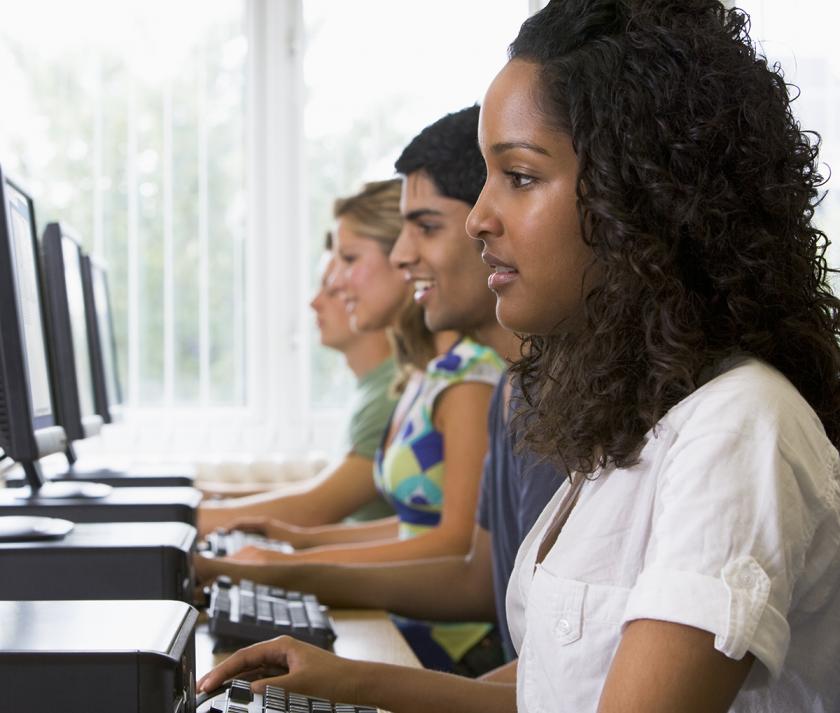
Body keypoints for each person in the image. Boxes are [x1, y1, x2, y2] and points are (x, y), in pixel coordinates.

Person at [199, 2, 840, 712]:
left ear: (644, 198)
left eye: (521, 176)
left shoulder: (737, 427)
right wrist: (349, 679)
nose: (479, 217)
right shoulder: (629, 420)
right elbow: (556, 687)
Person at [196, 106, 564, 674]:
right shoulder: (510, 392)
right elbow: (477, 573)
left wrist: (285, 564)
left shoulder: (486, 382)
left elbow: (560, 671)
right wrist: (289, 558)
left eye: (426, 227)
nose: (401, 254)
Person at [198, 182, 414, 534]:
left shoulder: (395, 389)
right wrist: (206, 499)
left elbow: (313, 509)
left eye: (346, 265)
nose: (319, 300)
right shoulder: (387, 386)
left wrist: (180, 518)